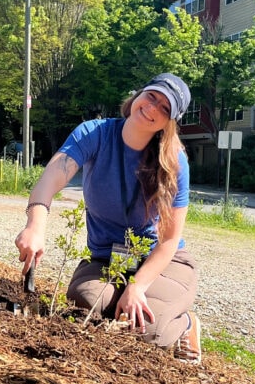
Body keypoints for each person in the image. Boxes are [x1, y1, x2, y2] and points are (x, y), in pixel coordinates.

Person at [15, 73, 201, 363]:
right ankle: (124, 298)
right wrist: (35, 226)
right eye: (151, 97)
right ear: (138, 95)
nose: (152, 108)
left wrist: (137, 286)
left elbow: (169, 241)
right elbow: (50, 178)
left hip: (161, 263)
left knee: (146, 330)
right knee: (85, 306)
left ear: (169, 121)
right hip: (107, 259)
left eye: (165, 108)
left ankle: (186, 324)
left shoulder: (175, 160)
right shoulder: (94, 134)